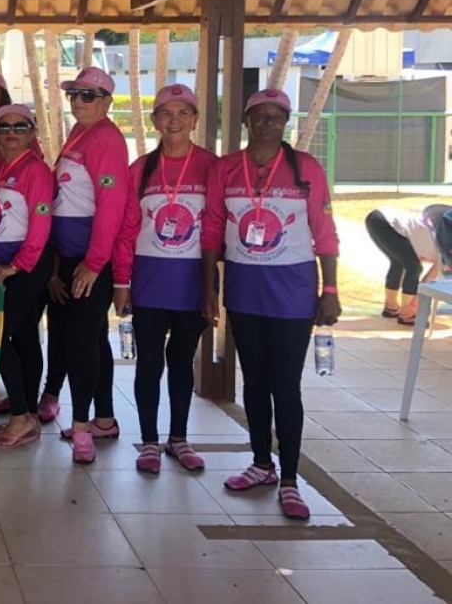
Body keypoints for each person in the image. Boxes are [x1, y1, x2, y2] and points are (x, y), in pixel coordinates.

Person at [202, 88, 340, 521]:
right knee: (254, 383)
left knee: (286, 386)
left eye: (276, 116)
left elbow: (325, 233)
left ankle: (290, 479)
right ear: (246, 121)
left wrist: (330, 291)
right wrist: (210, 286)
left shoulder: (306, 169)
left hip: (293, 294)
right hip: (244, 292)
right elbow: (211, 230)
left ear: (286, 121)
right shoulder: (227, 170)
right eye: (259, 115)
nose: (267, 123)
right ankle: (261, 463)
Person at [112, 84, 216, 474]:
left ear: (194, 120)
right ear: (155, 120)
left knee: (182, 363)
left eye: (183, 113)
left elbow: (218, 227)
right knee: (149, 363)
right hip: (150, 283)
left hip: (193, 284)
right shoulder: (140, 169)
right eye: (166, 114)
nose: (174, 121)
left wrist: (214, 288)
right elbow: (126, 230)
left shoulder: (211, 165)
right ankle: (150, 441)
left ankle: (179, 438)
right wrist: (122, 282)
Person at [47, 66, 129, 465]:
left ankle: (82, 428)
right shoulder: (81, 132)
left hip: (90, 263)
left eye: (88, 95)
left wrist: (94, 264)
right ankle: (105, 418)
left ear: (107, 101)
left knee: (80, 343)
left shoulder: (107, 139)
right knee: (93, 339)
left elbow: (111, 207)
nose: (78, 101)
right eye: (74, 94)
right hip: (72, 258)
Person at [0, 105, 56, 449]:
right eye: (4, 127)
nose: (11, 132)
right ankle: (28, 412)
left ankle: (22, 415)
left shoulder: (36, 171)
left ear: (32, 131)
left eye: (19, 127)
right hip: (3, 265)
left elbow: (40, 226)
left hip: (27, 267)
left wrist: (17, 266)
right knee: (22, 337)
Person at [364, 204, 451, 324]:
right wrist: (414, 304)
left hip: (377, 218)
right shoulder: (445, 250)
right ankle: (407, 313)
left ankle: (391, 307)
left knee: (399, 262)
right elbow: (428, 281)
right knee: (413, 267)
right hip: (389, 223)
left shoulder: (443, 230)